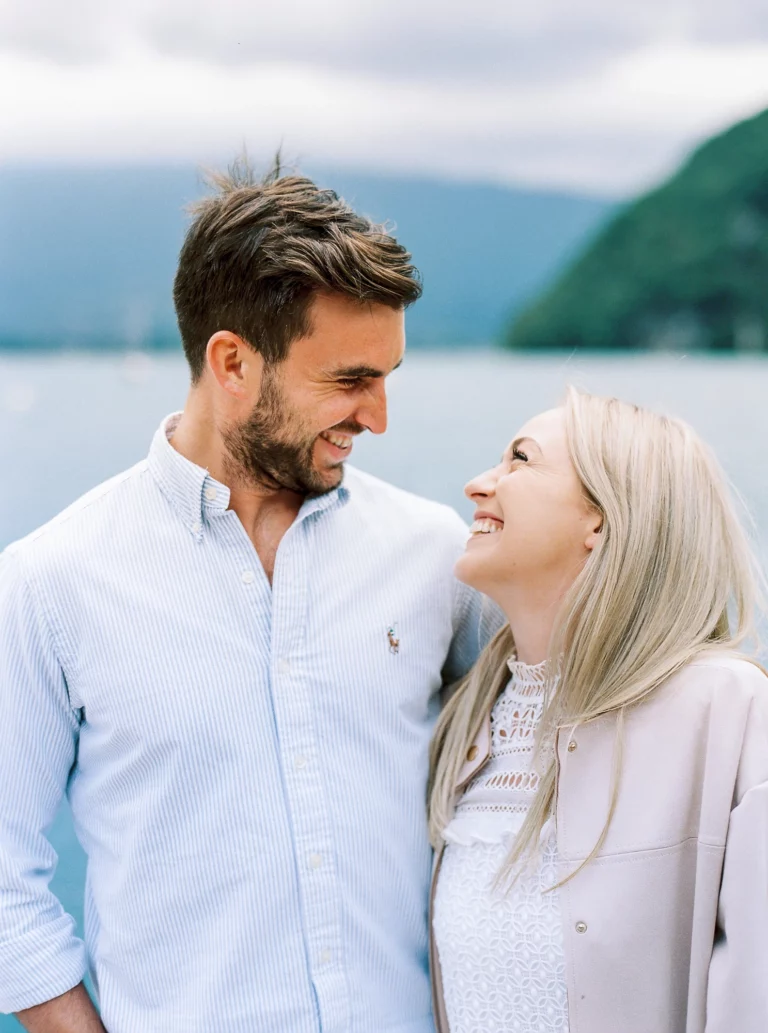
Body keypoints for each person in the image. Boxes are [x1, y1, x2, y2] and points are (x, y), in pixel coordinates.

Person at [0, 160, 495, 1033]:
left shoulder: (437, 558)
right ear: (232, 360)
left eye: (388, 376)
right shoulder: (51, 581)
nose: (377, 417)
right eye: (349, 380)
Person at [428, 387, 768, 1033]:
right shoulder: (471, 719)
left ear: (602, 520)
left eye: (519, 461)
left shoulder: (729, 709)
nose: (478, 484)